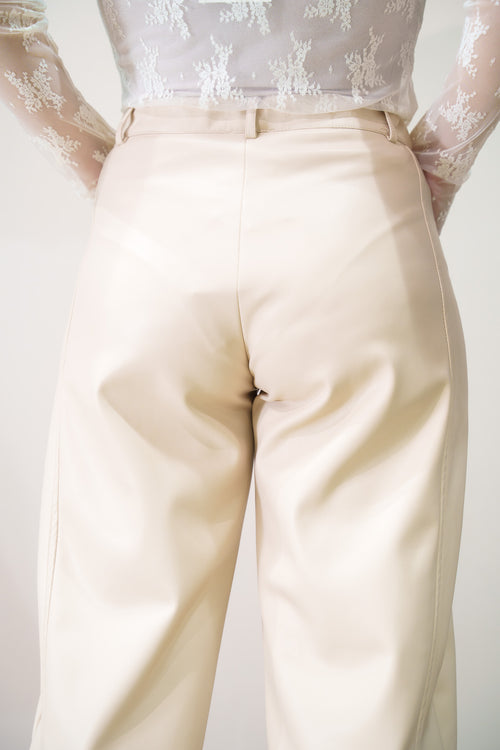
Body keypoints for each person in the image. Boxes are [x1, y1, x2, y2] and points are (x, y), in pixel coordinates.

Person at [0, 2, 498, 749]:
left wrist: (112, 172)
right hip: (357, 210)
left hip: (150, 227)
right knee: (369, 667)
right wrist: (435, 169)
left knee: (111, 654)